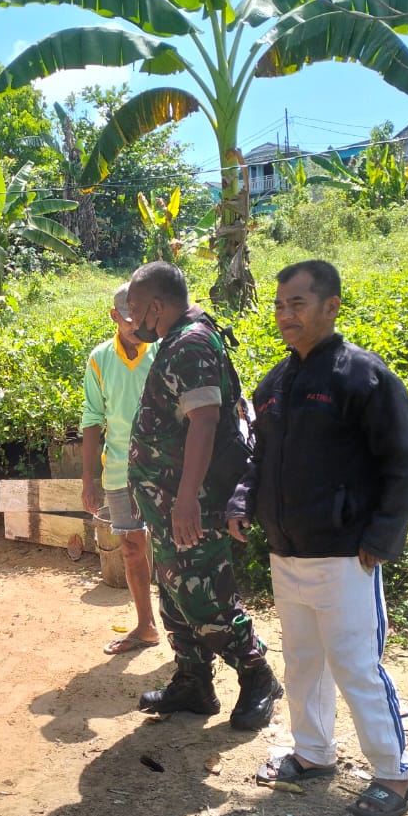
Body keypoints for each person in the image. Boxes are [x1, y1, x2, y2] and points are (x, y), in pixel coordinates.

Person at [227, 259, 408, 816]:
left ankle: (395, 774)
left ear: (331, 306)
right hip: (287, 552)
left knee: (356, 665)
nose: (286, 315)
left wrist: (383, 536)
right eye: (280, 305)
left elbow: (401, 460)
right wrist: (244, 502)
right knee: (302, 660)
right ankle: (314, 754)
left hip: (346, 555)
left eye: (298, 304)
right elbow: (259, 457)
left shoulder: (362, 377)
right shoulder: (275, 383)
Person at [125, 261, 282, 729]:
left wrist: (187, 499)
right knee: (175, 593)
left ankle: (258, 676)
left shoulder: (189, 343)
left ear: (156, 307)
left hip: (189, 506)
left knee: (204, 596)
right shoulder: (182, 337)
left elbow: (207, 420)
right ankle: (194, 682)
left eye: (135, 311)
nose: (131, 321)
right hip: (170, 505)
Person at [80, 283, 160, 654]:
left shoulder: (161, 351)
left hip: (163, 471)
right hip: (118, 473)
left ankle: (185, 631)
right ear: (115, 316)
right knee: (130, 548)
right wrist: (88, 481)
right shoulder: (100, 359)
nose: (137, 325)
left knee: (175, 549)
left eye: (143, 317)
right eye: (130, 318)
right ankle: (146, 626)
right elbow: (93, 419)